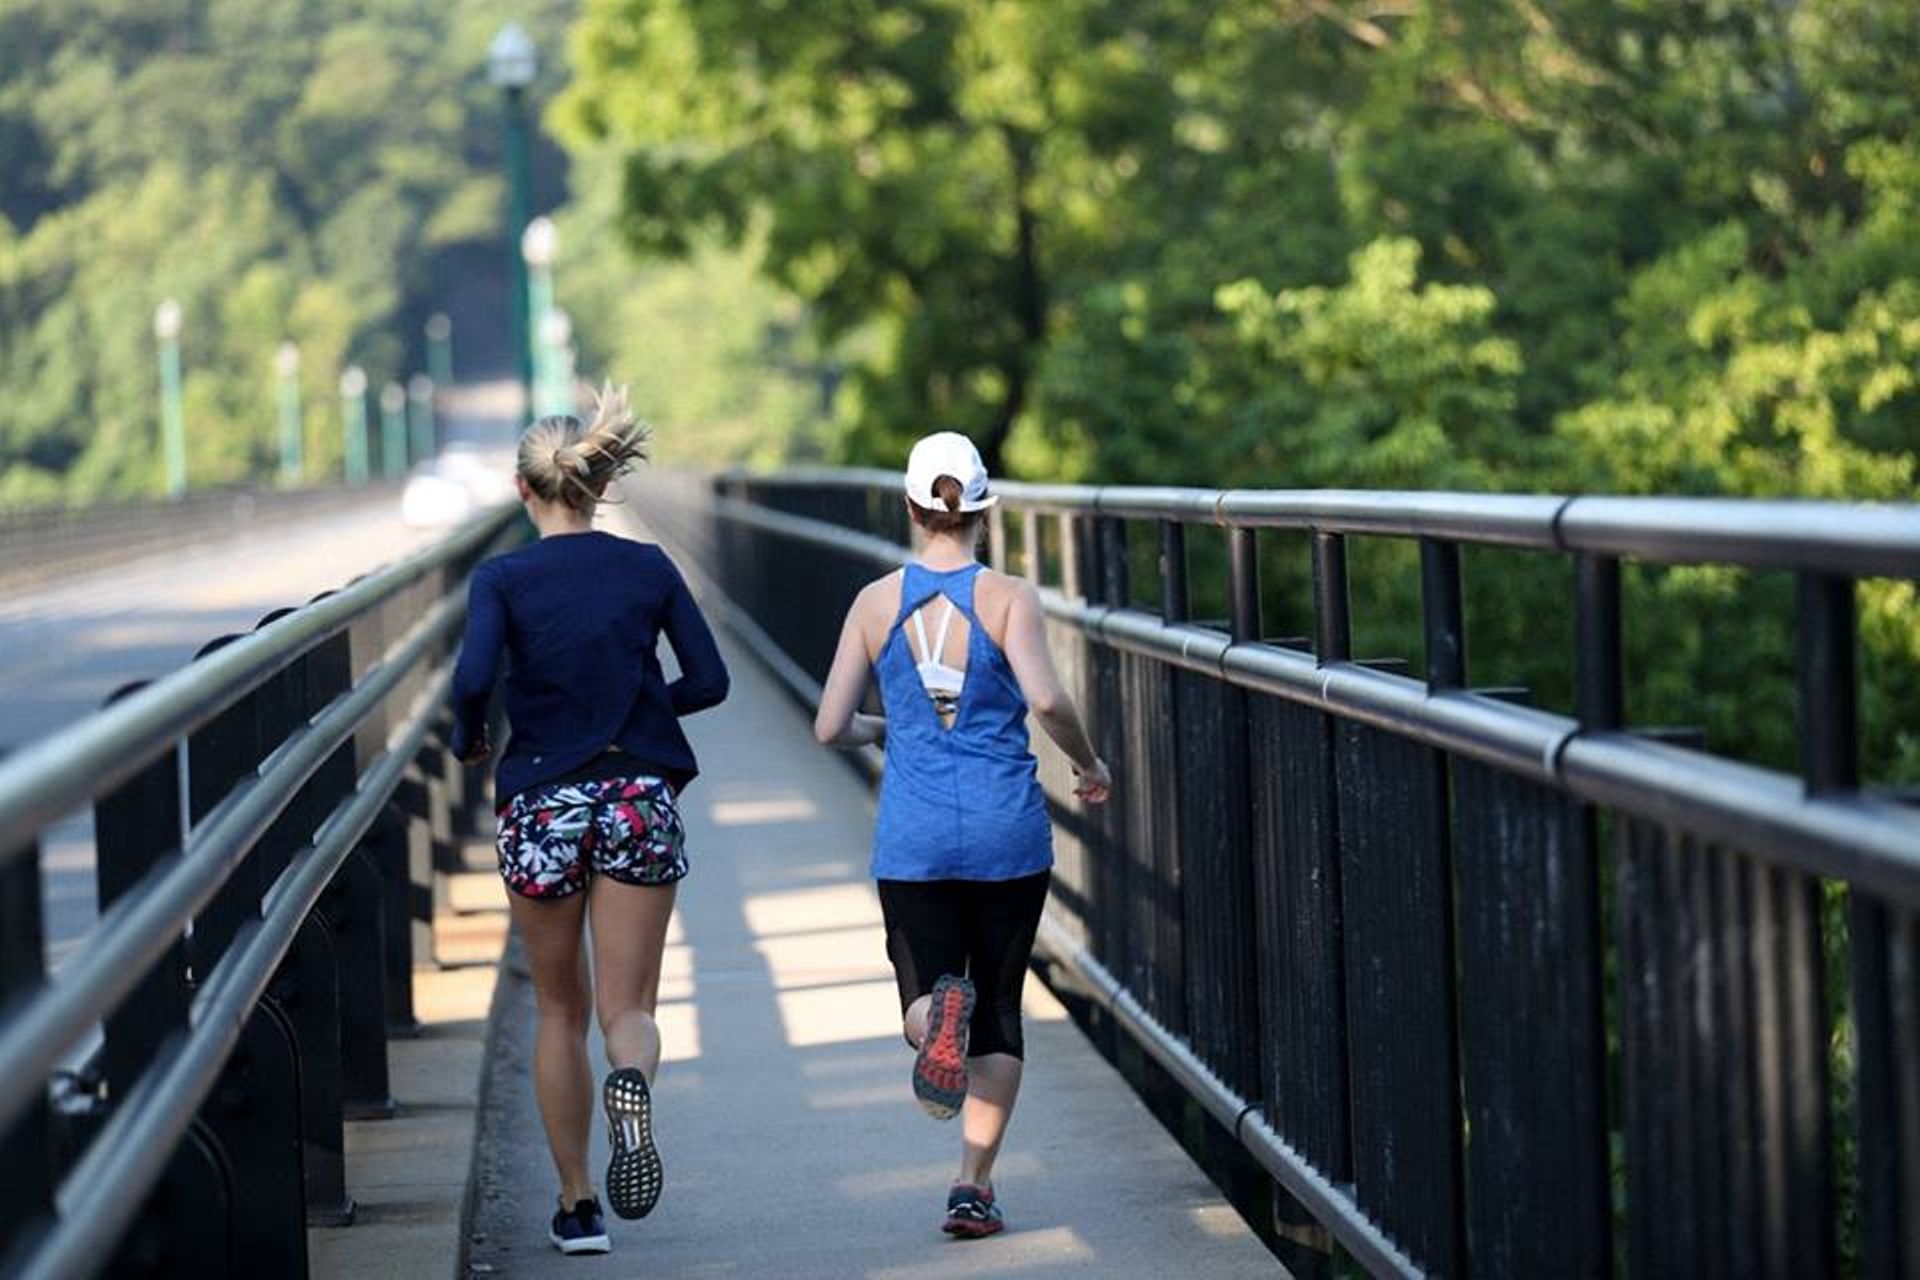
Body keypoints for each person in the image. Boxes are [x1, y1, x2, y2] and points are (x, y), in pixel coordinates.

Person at [448, 385, 729, 1256]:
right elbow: (710, 679)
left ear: (523, 491)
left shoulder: (501, 576)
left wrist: (471, 740)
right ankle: (632, 1083)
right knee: (628, 1007)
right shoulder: (645, 568)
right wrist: (644, 712)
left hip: (541, 800)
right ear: (600, 482)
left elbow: (469, 682)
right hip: (636, 798)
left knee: (560, 1009)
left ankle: (576, 1208)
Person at [813, 431, 1112, 1239]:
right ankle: (972, 1186)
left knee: (927, 991)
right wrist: (1089, 762)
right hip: (1004, 835)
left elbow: (829, 725)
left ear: (912, 509)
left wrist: (890, 727)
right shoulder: (1009, 597)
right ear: (985, 508)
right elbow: (1046, 701)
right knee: (1001, 1012)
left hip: (914, 841)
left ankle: (929, 1021)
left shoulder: (876, 602)